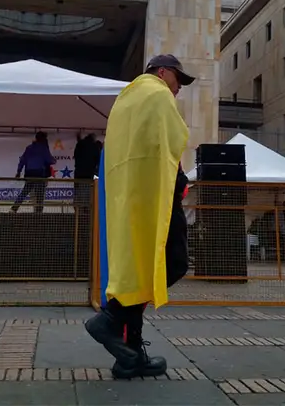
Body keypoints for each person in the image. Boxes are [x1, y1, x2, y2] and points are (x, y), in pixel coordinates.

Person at [84, 53, 194, 380]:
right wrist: (178, 183)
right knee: (172, 263)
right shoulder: (158, 94)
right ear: (162, 72)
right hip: (156, 197)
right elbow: (172, 142)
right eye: (177, 80)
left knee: (137, 267)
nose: (178, 89)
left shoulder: (125, 99)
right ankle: (110, 320)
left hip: (128, 196)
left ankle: (129, 356)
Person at [11, 132, 56, 214]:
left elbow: (22, 161)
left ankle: (14, 209)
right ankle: (38, 213)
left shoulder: (29, 148)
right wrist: (54, 160)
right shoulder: (43, 148)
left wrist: (18, 172)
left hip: (29, 173)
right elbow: (49, 160)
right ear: (43, 139)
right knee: (40, 194)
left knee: (25, 191)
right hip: (40, 174)